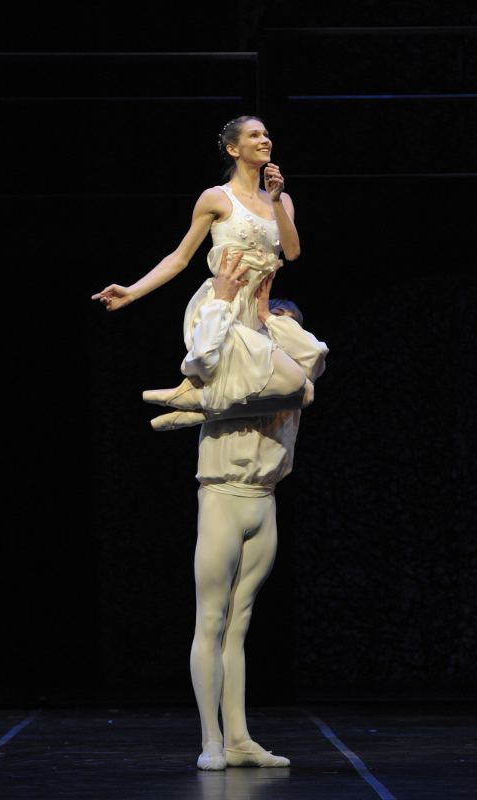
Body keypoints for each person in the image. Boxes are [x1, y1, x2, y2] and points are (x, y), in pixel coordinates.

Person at [167, 256, 328, 770]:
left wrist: (269, 318)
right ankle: (211, 740)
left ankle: (239, 739)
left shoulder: (292, 373)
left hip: (265, 502)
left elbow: (314, 359)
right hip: (222, 495)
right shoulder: (225, 366)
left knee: (239, 626)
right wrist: (222, 302)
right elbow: (199, 359)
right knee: (210, 620)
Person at [92, 115, 307, 417]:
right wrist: (132, 292)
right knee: (293, 385)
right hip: (224, 309)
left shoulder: (281, 199)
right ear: (234, 149)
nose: (264, 140)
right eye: (254, 135)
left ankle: (196, 407)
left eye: (266, 134)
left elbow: (293, 252)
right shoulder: (216, 198)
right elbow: (180, 257)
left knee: (298, 393)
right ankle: (197, 403)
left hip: (258, 313)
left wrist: (274, 201)